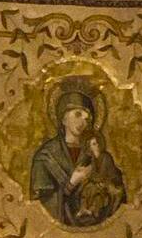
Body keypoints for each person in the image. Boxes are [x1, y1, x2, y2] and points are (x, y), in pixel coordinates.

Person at [29, 87, 127, 226]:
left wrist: (103, 190)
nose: (83, 122)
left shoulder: (100, 156)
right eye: (77, 114)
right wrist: (71, 184)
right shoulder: (46, 156)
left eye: (87, 119)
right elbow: (38, 204)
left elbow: (119, 194)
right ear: (63, 118)